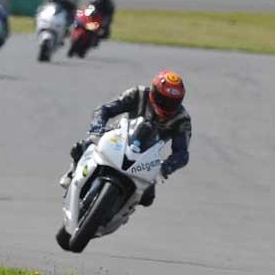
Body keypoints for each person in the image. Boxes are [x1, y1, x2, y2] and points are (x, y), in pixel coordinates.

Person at [58, 70, 192, 210]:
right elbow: (104, 110)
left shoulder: (182, 119)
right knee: (83, 146)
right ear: (154, 92)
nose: (166, 105)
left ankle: (123, 211)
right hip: (118, 139)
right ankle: (72, 172)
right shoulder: (138, 94)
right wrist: (97, 129)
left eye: (172, 102)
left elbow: (182, 153)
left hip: (146, 158)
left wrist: (164, 169)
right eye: (163, 99)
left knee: (147, 197)